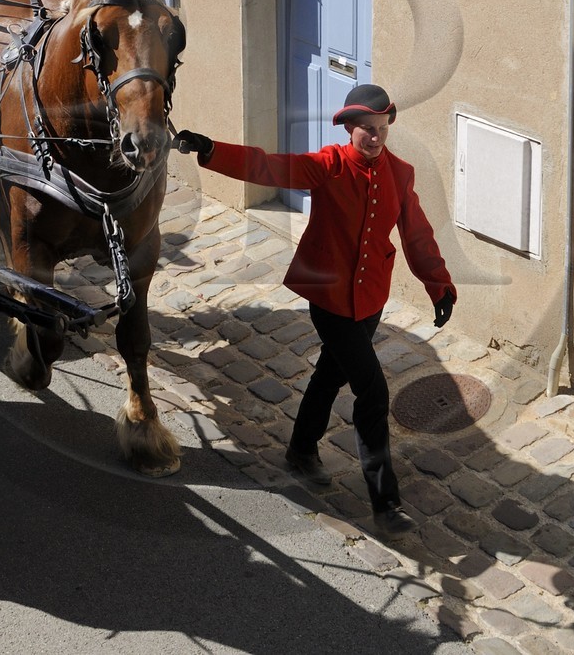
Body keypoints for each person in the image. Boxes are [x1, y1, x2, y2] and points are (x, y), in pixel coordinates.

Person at [175, 84, 456, 537]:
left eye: (382, 129)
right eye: (367, 129)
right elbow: (267, 166)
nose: (376, 138)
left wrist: (438, 285)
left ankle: (301, 449)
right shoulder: (329, 165)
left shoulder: (400, 174)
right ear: (349, 128)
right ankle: (385, 503)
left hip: (370, 301)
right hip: (328, 299)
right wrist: (210, 149)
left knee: (330, 374)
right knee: (373, 392)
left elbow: (417, 235)